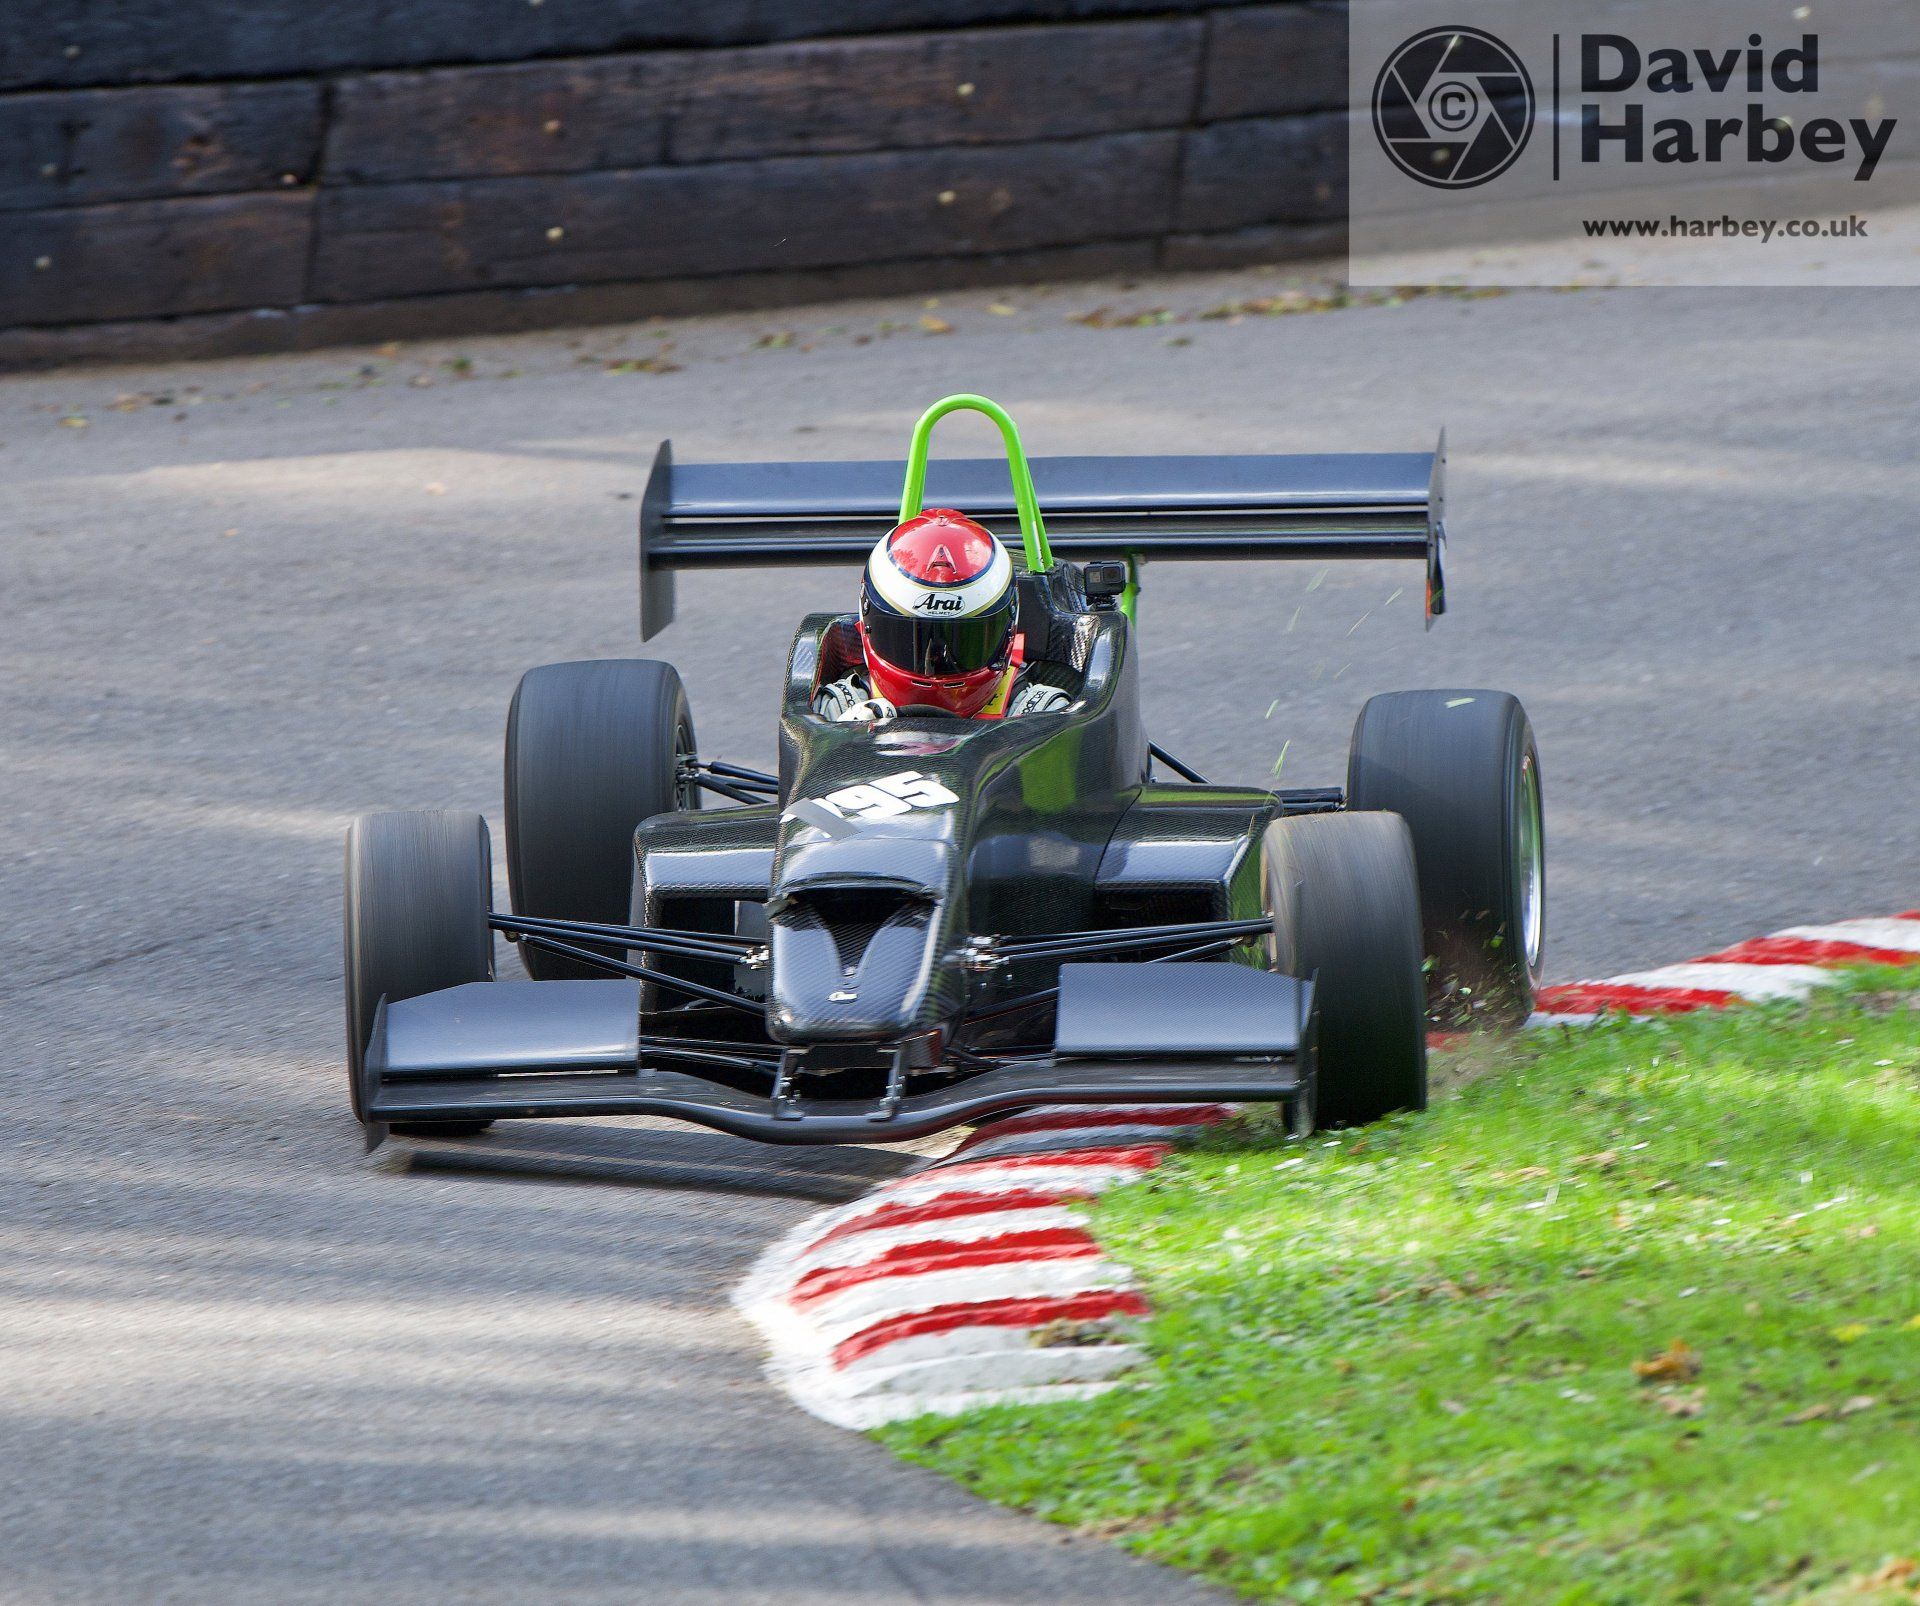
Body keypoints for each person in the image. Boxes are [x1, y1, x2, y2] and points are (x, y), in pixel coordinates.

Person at [814, 508, 1072, 722]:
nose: (935, 664)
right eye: (909, 640)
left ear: (1008, 634)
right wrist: (849, 740)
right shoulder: (838, 711)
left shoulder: (1042, 714)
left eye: (964, 641)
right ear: (867, 626)